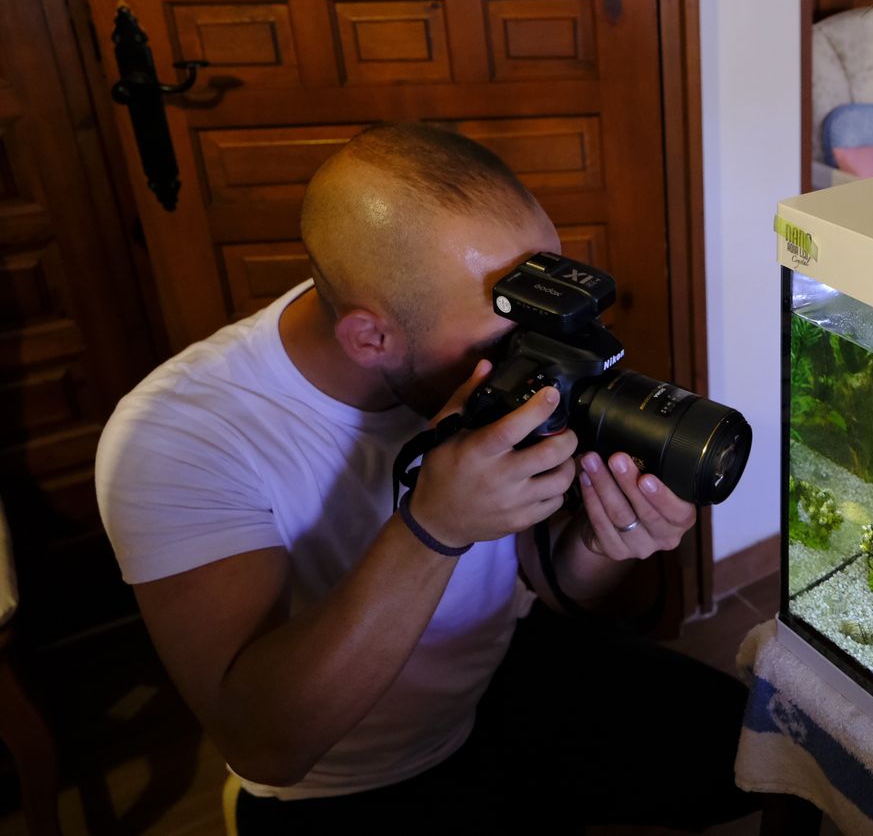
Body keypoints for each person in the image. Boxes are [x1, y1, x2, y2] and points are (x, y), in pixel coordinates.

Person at [95, 123, 756, 833]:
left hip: (502, 678)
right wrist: (432, 528)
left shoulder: (454, 353)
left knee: (760, 749)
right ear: (369, 337)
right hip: (353, 781)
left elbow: (545, 581)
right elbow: (266, 743)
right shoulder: (180, 437)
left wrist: (604, 539)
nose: (548, 356)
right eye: (511, 338)